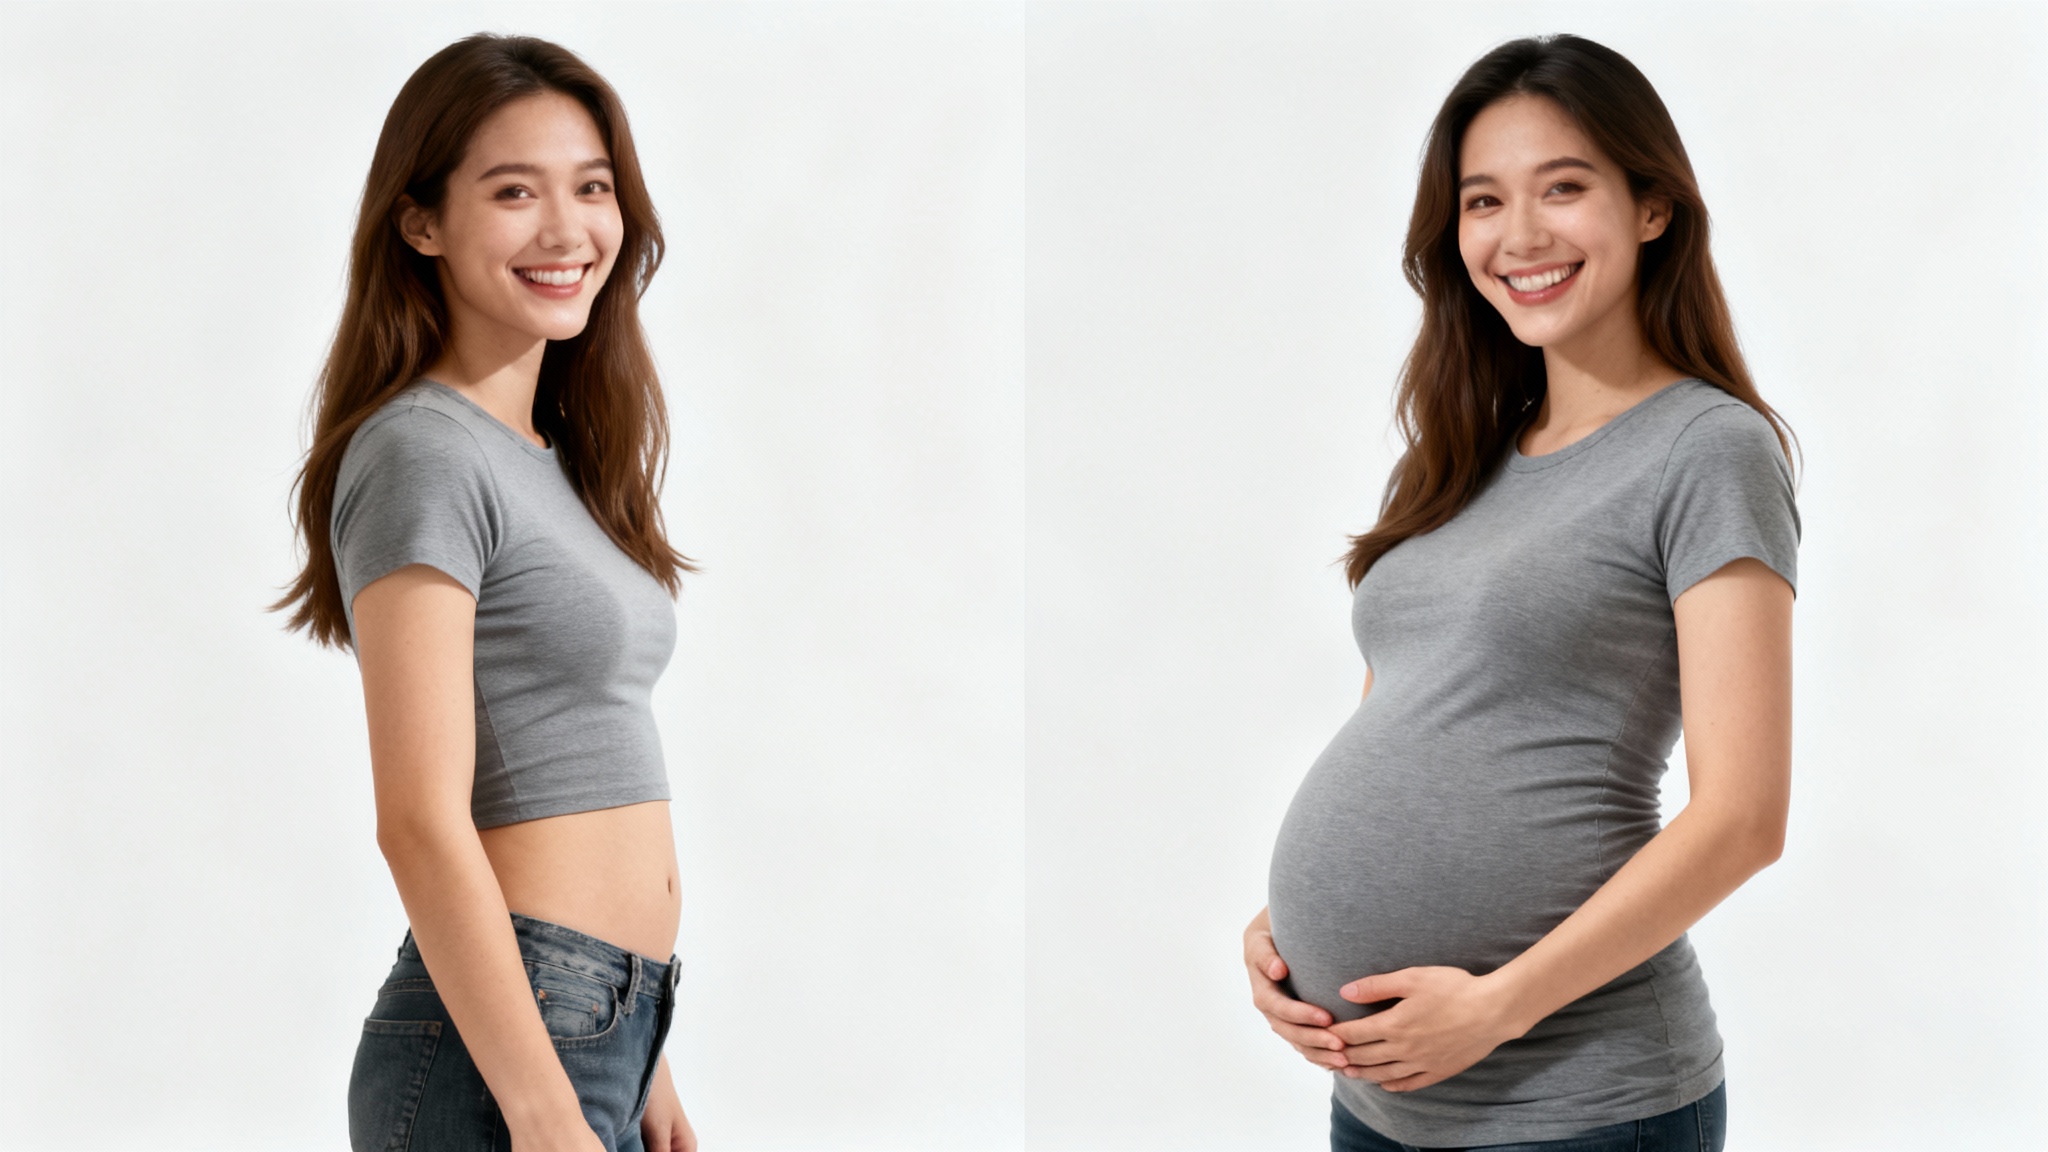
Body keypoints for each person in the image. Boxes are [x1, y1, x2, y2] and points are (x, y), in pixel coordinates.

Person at [1243, 34, 1799, 1152]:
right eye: (1482, 200)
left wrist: (1498, 1006)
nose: (1519, 235)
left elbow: (1742, 818)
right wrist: (1287, 930)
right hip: (1381, 1100)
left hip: (1579, 1103)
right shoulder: (1462, 451)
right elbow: (1408, 709)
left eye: (1563, 188)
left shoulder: (1706, 450)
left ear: (1651, 207)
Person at [276, 34, 697, 1152]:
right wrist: (541, 1102)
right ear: (421, 223)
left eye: (592, 188)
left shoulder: (550, 457)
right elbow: (419, 819)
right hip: (506, 1054)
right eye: (514, 192)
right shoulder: (423, 449)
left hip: (596, 1022)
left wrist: (642, 1052)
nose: (567, 231)